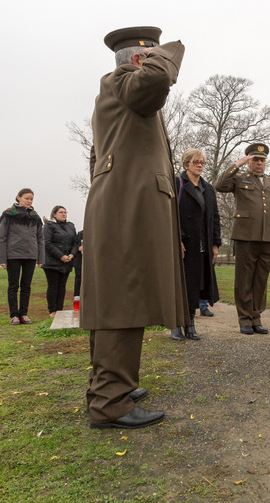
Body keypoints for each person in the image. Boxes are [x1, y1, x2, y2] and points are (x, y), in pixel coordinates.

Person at [81, 26, 187, 430]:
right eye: (151, 54)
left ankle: (108, 387)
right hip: (125, 207)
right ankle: (110, 401)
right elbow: (158, 78)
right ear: (140, 59)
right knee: (121, 302)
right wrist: (169, 50)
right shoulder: (124, 81)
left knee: (120, 299)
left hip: (121, 204)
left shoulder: (116, 94)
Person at [215, 143, 270, 335]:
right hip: (245, 236)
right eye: (255, 160)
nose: (259, 163)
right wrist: (237, 164)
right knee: (244, 280)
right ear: (249, 161)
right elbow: (219, 185)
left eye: (262, 160)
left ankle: (256, 317)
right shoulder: (239, 178)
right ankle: (245, 319)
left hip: (267, 237)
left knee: (261, 280)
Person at [174, 148, 221, 340]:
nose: (200, 165)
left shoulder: (207, 188)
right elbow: (171, 214)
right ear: (186, 164)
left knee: (197, 285)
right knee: (182, 285)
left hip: (203, 245)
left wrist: (215, 244)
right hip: (184, 244)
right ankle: (177, 324)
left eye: (202, 162)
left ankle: (190, 323)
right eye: (196, 161)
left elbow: (215, 217)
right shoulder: (177, 184)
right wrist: (177, 239)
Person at [0, 188, 44, 325]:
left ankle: (23, 314)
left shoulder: (35, 217)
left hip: (30, 255)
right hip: (13, 255)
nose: (29, 201)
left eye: (31, 199)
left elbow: (40, 239)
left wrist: (41, 258)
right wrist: (2, 259)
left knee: (26, 286)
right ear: (18, 197)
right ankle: (14, 315)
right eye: (26, 198)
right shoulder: (8, 215)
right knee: (13, 285)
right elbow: (2, 238)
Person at [43, 206, 78, 317]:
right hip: (52, 261)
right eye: (60, 212)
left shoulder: (71, 226)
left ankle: (59, 310)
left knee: (62, 286)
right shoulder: (49, 226)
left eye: (65, 212)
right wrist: (61, 256)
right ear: (54, 214)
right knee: (53, 286)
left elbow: (75, 242)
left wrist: (72, 254)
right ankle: (52, 310)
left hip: (67, 261)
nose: (63, 214)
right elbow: (47, 243)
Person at [73, 229, 83, 301]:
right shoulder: (80, 234)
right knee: (78, 277)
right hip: (79, 260)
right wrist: (78, 248)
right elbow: (74, 246)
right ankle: (77, 295)